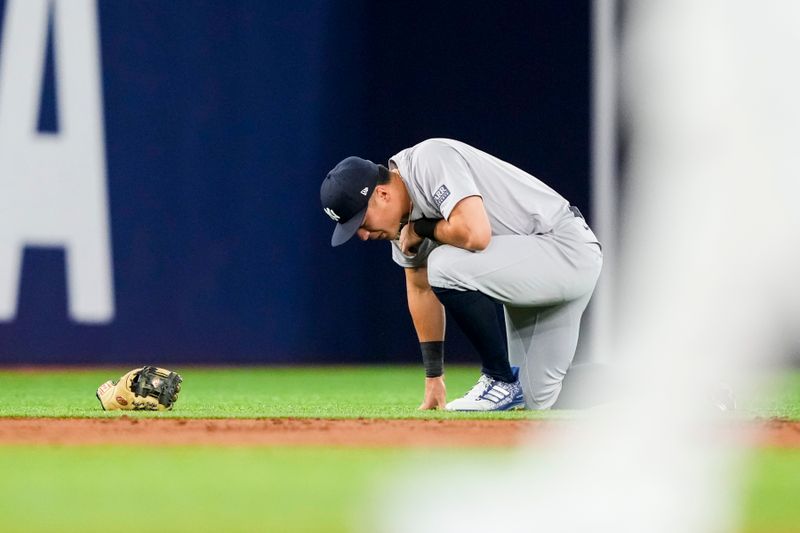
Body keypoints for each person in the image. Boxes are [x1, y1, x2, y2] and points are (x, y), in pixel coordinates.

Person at [320, 138, 602, 410]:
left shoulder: (428, 160)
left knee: (444, 264)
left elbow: (475, 234)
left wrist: (422, 229)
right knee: (538, 398)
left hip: (563, 246)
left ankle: (498, 377)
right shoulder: (398, 219)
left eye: (361, 221)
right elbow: (419, 287)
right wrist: (434, 378)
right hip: (537, 265)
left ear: (382, 194)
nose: (364, 235)